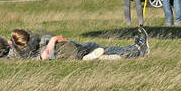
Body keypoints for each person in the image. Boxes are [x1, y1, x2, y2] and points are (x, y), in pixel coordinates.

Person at [8, 27, 148, 61]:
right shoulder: (38, 41)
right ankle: (138, 50)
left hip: (70, 52)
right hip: (72, 50)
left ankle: (95, 57)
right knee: (102, 48)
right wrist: (54, 39)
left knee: (103, 52)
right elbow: (45, 56)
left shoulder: (21, 54)